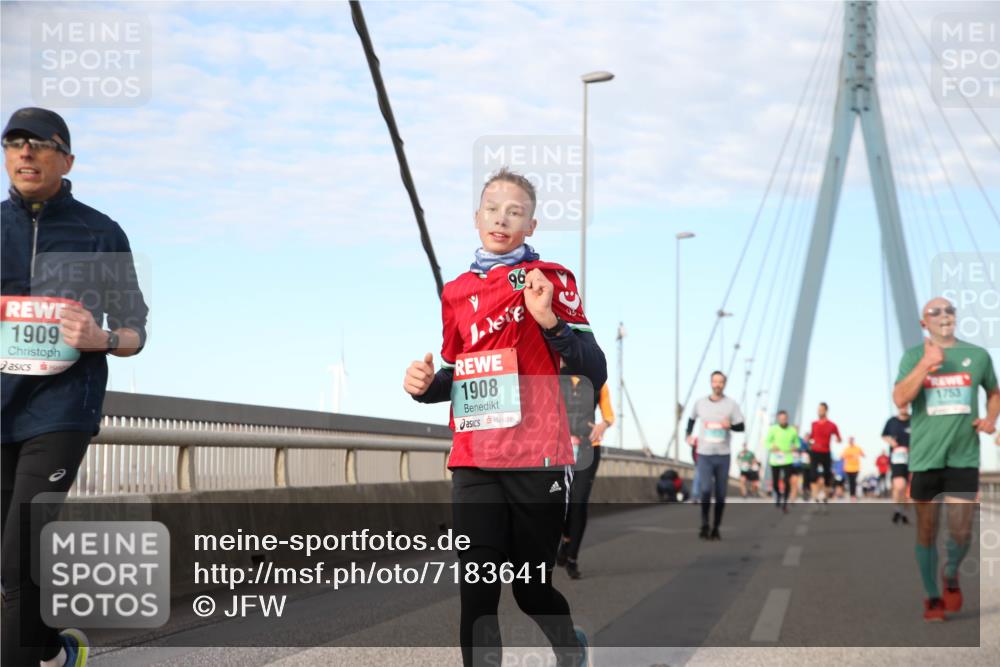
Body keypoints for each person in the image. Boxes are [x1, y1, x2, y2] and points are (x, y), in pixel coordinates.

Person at [403, 168, 603, 666]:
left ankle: (569, 648)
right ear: (476, 219)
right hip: (474, 458)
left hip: (537, 458)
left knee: (531, 591)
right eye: (492, 209)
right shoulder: (456, 293)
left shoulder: (552, 279)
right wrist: (427, 387)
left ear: (530, 225)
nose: (501, 218)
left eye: (515, 212)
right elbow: (463, 374)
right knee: (478, 593)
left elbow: (593, 366)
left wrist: (549, 321)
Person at [2, 108, 149, 667]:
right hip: (1, 409)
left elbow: (136, 329)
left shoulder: (99, 231)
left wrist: (101, 337)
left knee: (18, 557)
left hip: (62, 411)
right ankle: (53, 651)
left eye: (39, 145)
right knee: (10, 562)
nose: (24, 154)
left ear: (67, 158)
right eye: (13, 144)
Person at [892, 297, 998, 622]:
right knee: (926, 530)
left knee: (961, 531)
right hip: (925, 458)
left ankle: (950, 572)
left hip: (963, 457)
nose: (943, 314)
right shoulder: (913, 357)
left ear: (955, 317)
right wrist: (927, 364)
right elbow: (899, 398)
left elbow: (994, 392)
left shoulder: (977, 356)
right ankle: (932, 597)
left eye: (949, 309)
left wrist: (991, 419)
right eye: (934, 311)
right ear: (925, 323)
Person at [556, 376, 614, 579]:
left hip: (588, 448)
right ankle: (566, 539)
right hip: (559, 447)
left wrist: (603, 425)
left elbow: (608, 415)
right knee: (560, 501)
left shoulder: (598, 383)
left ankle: (572, 558)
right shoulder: (556, 377)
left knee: (578, 502)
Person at [685, 371, 745, 540]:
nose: (717, 384)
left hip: (723, 455)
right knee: (705, 490)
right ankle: (704, 524)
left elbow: (741, 427)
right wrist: (687, 435)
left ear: (724, 384)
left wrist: (730, 425)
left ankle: (716, 527)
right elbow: (691, 420)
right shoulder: (700, 403)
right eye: (715, 381)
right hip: (704, 454)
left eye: (720, 382)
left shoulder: (731, 405)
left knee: (720, 495)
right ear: (711, 383)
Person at [882, 406, 912, 524]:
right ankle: (897, 510)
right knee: (898, 485)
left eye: (906, 405)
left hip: (911, 457)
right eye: (901, 405)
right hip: (897, 457)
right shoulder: (892, 421)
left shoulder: (913, 420)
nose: (903, 407)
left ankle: (902, 512)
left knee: (905, 488)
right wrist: (891, 441)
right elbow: (884, 435)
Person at [807, 402, 842, 503]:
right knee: (813, 475)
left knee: (827, 476)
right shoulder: (814, 424)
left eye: (821, 409)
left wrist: (838, 440)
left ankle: (825, 496)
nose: (819, 411)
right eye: (818, 409)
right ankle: (815, 497)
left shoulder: (832, 425)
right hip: (814, 452)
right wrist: (810, 443)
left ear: (826, 411)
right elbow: (811, 437)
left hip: (826, 452)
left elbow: (839, 437)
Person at [765, 411, 797, 513]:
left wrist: (795, 447)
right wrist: (771, 446)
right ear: (778, 419)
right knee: (775, 483)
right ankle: (778, 495)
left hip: (788, 459)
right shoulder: (773, 429)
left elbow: (797, 443)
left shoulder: (792, 430)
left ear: (787, 418)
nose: (783, 420)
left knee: (787, 481)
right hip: (775, 459)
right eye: (781, 418)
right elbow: (766, 442)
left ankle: (785, 503)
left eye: (785, 418)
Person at [841, 437, 865, 501]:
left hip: (856, 468)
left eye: (852, 440)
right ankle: (852, 495)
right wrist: (849, 456)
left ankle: (853, 495)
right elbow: (842, 457)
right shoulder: (846, 449)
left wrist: (858, 455)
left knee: (854, 482)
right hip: (848, 468)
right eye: (849, 440)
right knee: (851, 482)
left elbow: (863, 454)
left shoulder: (857, 448)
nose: (851, 441)